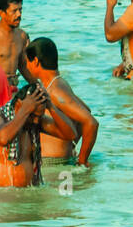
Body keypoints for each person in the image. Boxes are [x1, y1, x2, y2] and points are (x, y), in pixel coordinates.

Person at [0, 81, 76, 187]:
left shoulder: (35, 121)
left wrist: (50, 106)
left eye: (39, 116)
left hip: (27, 192)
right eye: (32, 115)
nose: (36, 121)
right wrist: (25, 110)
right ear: (18, 105)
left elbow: (70, 134)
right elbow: (3, 138)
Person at [25, 36, 99, 166]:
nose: (26, 66)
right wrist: (71, 143)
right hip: (59, 162)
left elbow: (91, 122)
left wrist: (82, 161)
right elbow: (86, 110)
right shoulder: (59, 83)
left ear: (35, 61)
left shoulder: (54, 91)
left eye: (27, 62)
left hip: (53, 165)